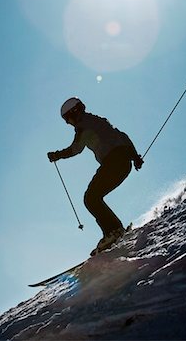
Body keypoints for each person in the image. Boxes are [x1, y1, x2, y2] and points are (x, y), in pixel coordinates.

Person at [47, 97, 143, 255]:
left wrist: (56, 155)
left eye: (67, 119)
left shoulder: (83, 126)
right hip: (124, 163)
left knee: (90, 198)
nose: (67, 123)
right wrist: (135, 157)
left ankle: (114, 231)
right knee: (94, 197)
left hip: (113, 162)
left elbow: (75, 149)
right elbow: (123, 136)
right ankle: (113, 231)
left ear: (74, 113)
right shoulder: (98, 120)